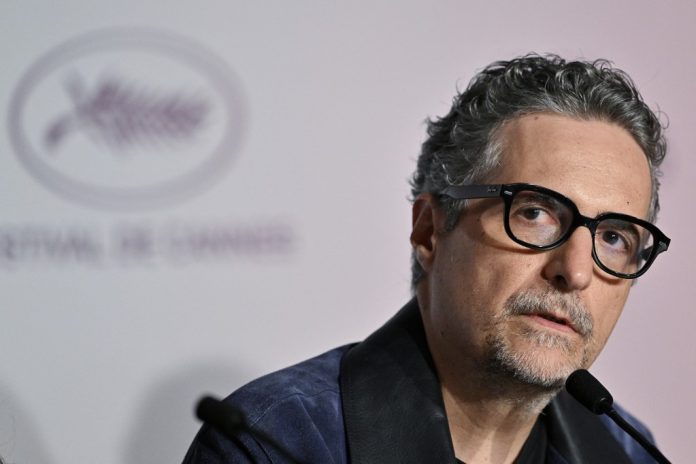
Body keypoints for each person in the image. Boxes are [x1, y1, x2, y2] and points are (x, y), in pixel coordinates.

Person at [183, 54, 670, 463]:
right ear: (430, 231)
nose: (576, 271)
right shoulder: (277, 444)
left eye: (614, 238)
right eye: (534, 213)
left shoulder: (630, 454)